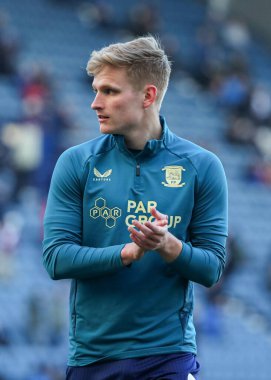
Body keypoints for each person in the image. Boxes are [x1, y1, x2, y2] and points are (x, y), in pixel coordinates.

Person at [43, 36, 228, 380]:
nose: (95, 103)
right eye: (96, 89)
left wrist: (169, 246)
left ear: (147, 95)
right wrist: (125, 253)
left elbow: (212, 269)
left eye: (110, 91)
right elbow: (56, 259)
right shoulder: (76, 163)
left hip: (167, 356)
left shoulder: (202, 166)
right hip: (91, 357)